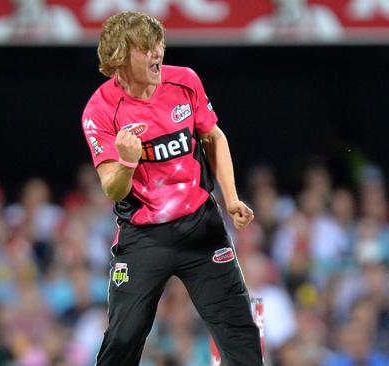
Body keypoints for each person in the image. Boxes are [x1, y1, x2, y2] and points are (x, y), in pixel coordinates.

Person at [80, 11, 263, 366]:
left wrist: (231, 198)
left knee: (239, 328)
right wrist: (128, 162)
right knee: (123, 336)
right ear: (119, 56)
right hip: (143, 238)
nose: (157, 53)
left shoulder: (185, 81)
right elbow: (112, 190)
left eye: (159, 44)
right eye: (146, 48)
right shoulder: (100, 110)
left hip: (201, 227)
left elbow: (213, 136)